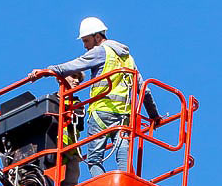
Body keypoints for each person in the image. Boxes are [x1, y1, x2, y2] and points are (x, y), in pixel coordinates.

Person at [31, 18, 163, 174]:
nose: (85, 46)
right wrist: (154, 116)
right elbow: (144, 89)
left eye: (86, 40)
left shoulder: (101, 51)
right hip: (123, 115)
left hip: (101, 112)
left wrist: (48, 71)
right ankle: (124, 185)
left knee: (94, 159)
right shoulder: (128, 59)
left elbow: (74, 65)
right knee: (123, 153)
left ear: (97, 37)